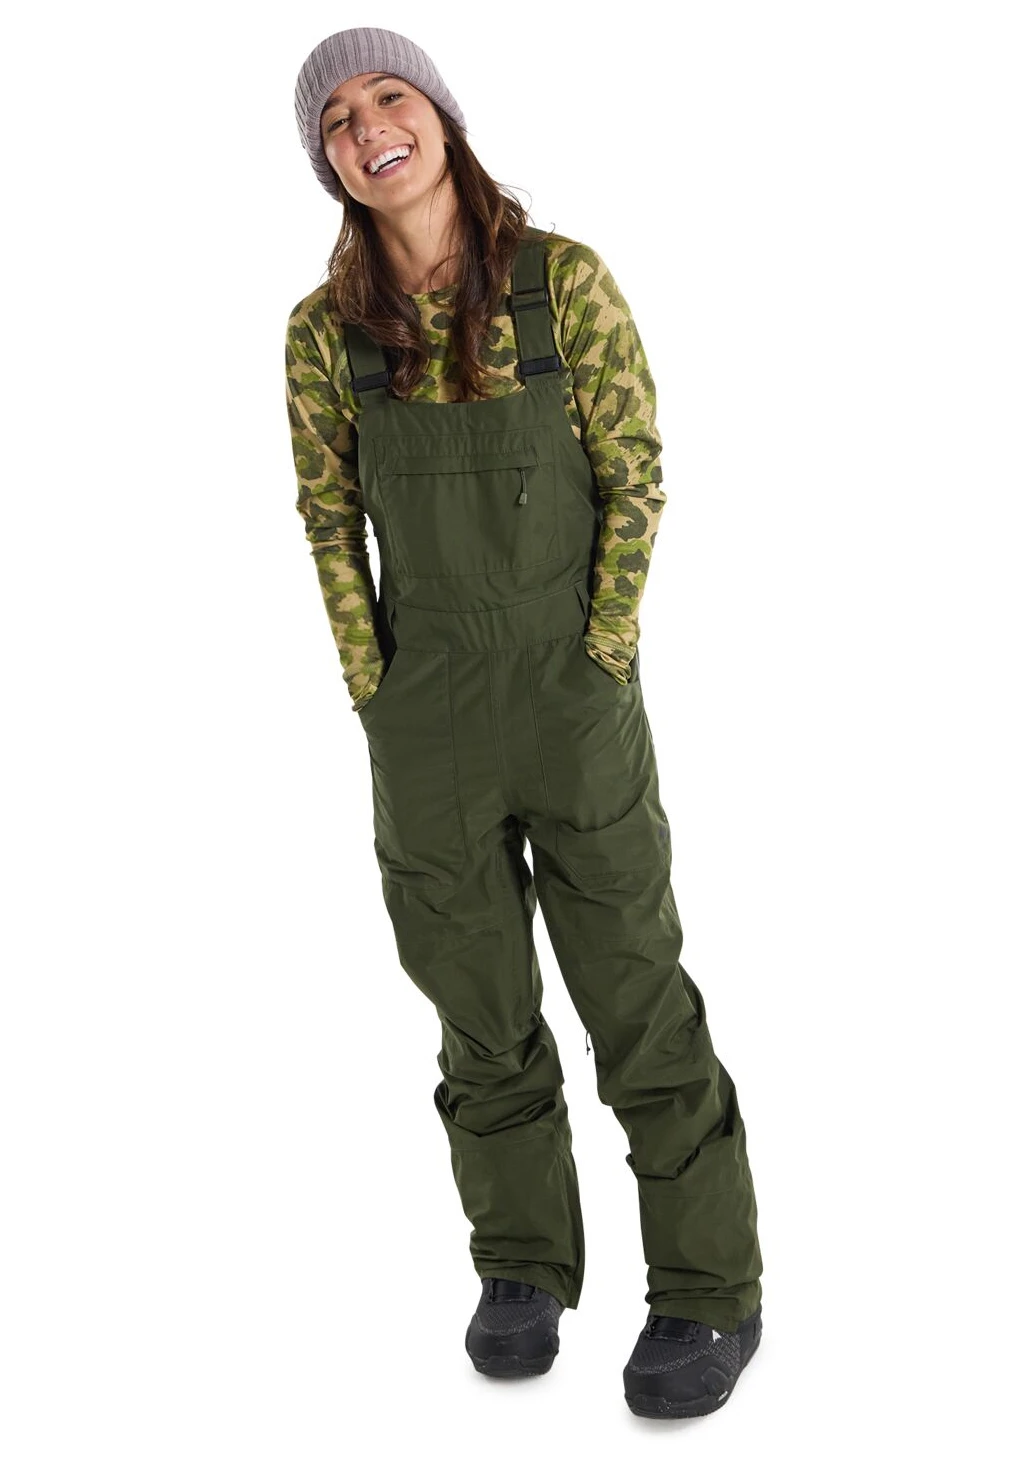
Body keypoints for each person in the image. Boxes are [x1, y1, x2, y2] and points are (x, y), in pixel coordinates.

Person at [286, 27, 763, 1419]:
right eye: (336, 118)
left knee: (635, 997)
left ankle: (707, 1289)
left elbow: (636, 473)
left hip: (568, 697)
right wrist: (372, 687)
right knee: (477, 1008)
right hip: (424, 714)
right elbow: (327, 517)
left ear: (439, 116)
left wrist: (603, 649)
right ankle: (521, 1267)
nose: (368, 127)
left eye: (389, 96)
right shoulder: (324, 334)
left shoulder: (561, 284)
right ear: (324, 161)